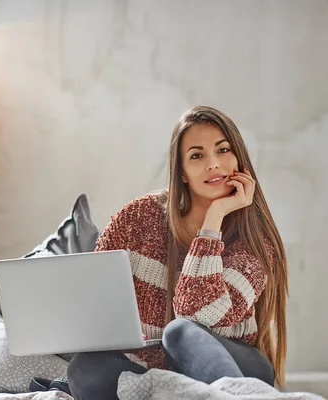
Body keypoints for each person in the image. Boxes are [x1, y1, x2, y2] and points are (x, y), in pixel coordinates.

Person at [66, 105, 289, 400]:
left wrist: (214, 220)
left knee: (180, 332)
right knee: (84, 368)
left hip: (236, 362)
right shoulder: (138, 217)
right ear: (181, 172)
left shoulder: (256, 239)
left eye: (223, 151)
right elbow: (95, 291)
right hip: (152, 365)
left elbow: (198, 313)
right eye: (197, 156)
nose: (213, 164)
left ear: (239, 160)